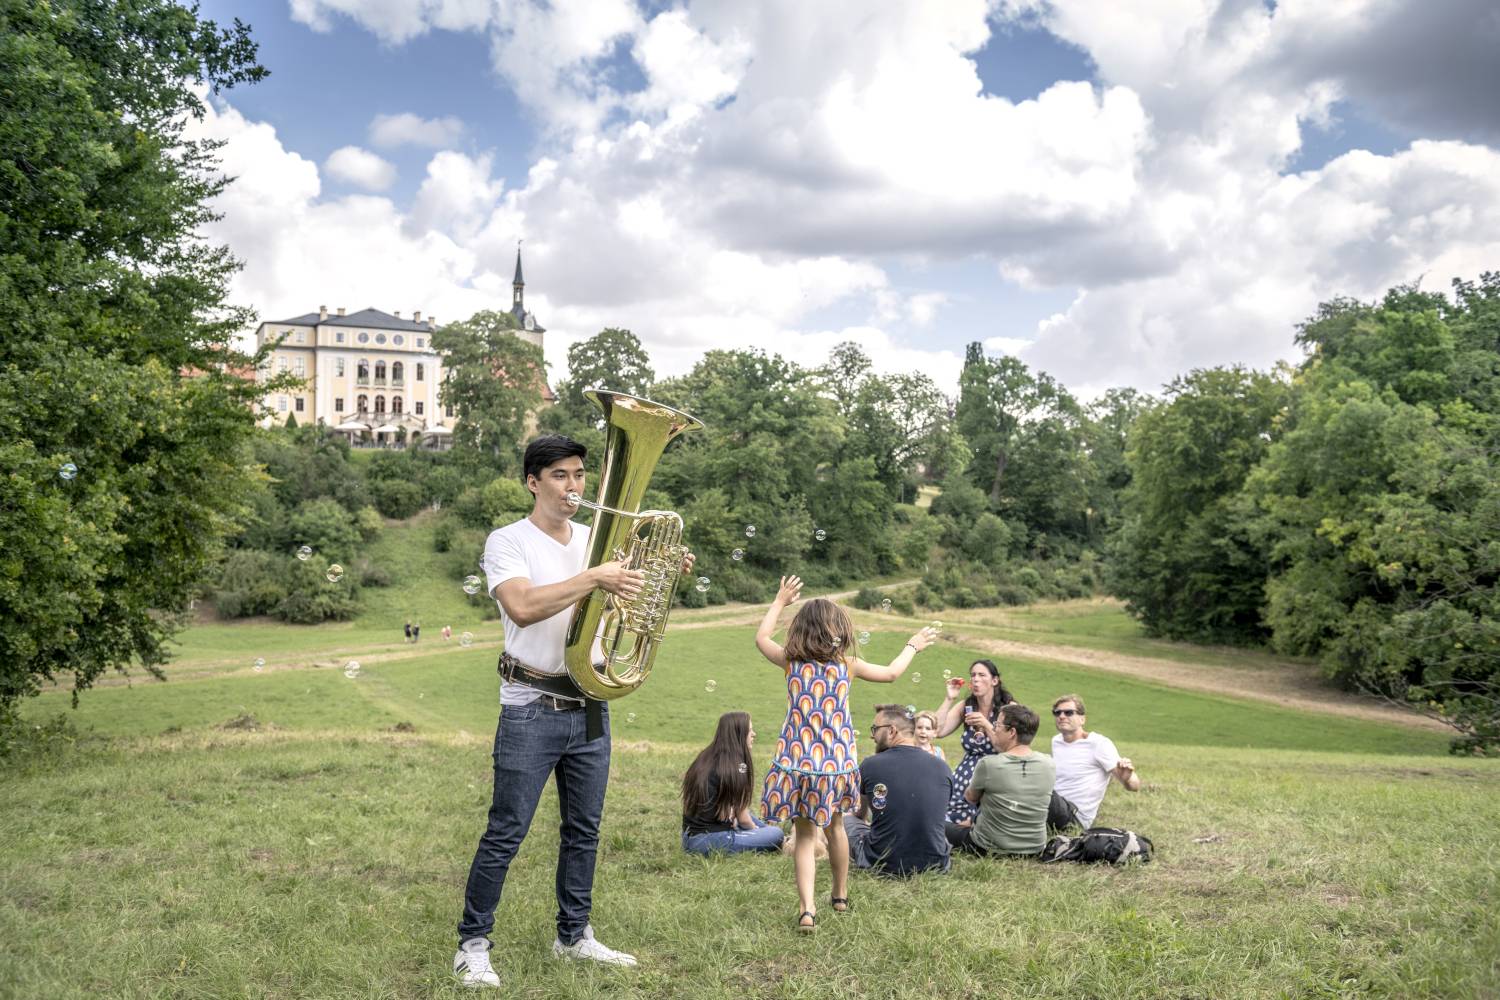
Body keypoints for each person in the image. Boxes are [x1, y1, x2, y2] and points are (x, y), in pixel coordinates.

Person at [453, 434, 691, 989]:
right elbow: (522, 606)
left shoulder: (594, 539)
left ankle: (574, 936)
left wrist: (657, 573)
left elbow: (622, 601)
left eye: (580, 474)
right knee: (506, 831)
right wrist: (594, 575)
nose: (574, 486)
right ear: (533, 482)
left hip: (589, 704)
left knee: (583, 830)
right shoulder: (507, 541)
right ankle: (473, 945)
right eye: (560, 475)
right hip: (531, 705)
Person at [755, 575, 938, 932]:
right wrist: (913, 645)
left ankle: (807, 910)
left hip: (797, 763)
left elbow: (761, 638)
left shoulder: (791, 663)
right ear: (838, 631)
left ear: (801, 630)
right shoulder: (847, 666)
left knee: (805, 835)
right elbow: (891, 674)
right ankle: (839, 896)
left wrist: (780, 601)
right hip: (836, 765)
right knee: (837, 827)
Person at [842, 704, 952, 877]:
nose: (873, 736)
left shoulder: (870, 764)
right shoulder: (942, 767)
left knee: (847, 821)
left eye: (875, 729)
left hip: (883, 862)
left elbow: (860, 814)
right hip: (936, 863)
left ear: (892, 731)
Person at [945, 703, 1054, 857]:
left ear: (1012, 732)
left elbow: (970, 798)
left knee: (936, 826)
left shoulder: (989, 763)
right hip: (1034, 847)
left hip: (989, 846)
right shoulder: (1049, 763)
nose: (994, 729)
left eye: (998, 724)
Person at [681, 712, 784, 855]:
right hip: (711, 842)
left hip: (689, 838)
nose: (754, 734)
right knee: (777, 834)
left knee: (758, 823)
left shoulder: (706, 756)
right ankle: (774, 836)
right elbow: (743, 820)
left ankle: (766, 832)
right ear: (739, 734)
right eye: (750, 731)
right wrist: (757, 832)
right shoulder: (737, 766)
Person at [935, 659, 1017, 824]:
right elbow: (937, 730)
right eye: (973, 675)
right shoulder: (967, 706)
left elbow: (1008, 748)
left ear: (994, 680)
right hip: (965, 776)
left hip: (997, 774)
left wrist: (986, 725)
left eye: (981, 675)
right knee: (945, 818)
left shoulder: (1009, 708)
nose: (976, 679)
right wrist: (949, 698)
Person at [1050, 693, 1141, 829]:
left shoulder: (1098, 744)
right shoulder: (1056, 741)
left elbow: (1135, 786)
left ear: (1082, 719)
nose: (1062, 716)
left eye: (1069, 712)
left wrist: (1126, 779)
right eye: (1057, 713)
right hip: (1055, 807)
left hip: (1075, 818)